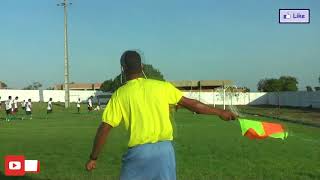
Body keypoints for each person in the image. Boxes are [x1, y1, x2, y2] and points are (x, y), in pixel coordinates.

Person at [85, 50, 237, 180]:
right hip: (165, 152)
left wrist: (93, 157)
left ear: (123, 69)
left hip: (139, 154)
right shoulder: (162, 87)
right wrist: (220, 112)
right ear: (142, 66)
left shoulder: (120, 94)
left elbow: (105, 128)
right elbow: (193, 105)